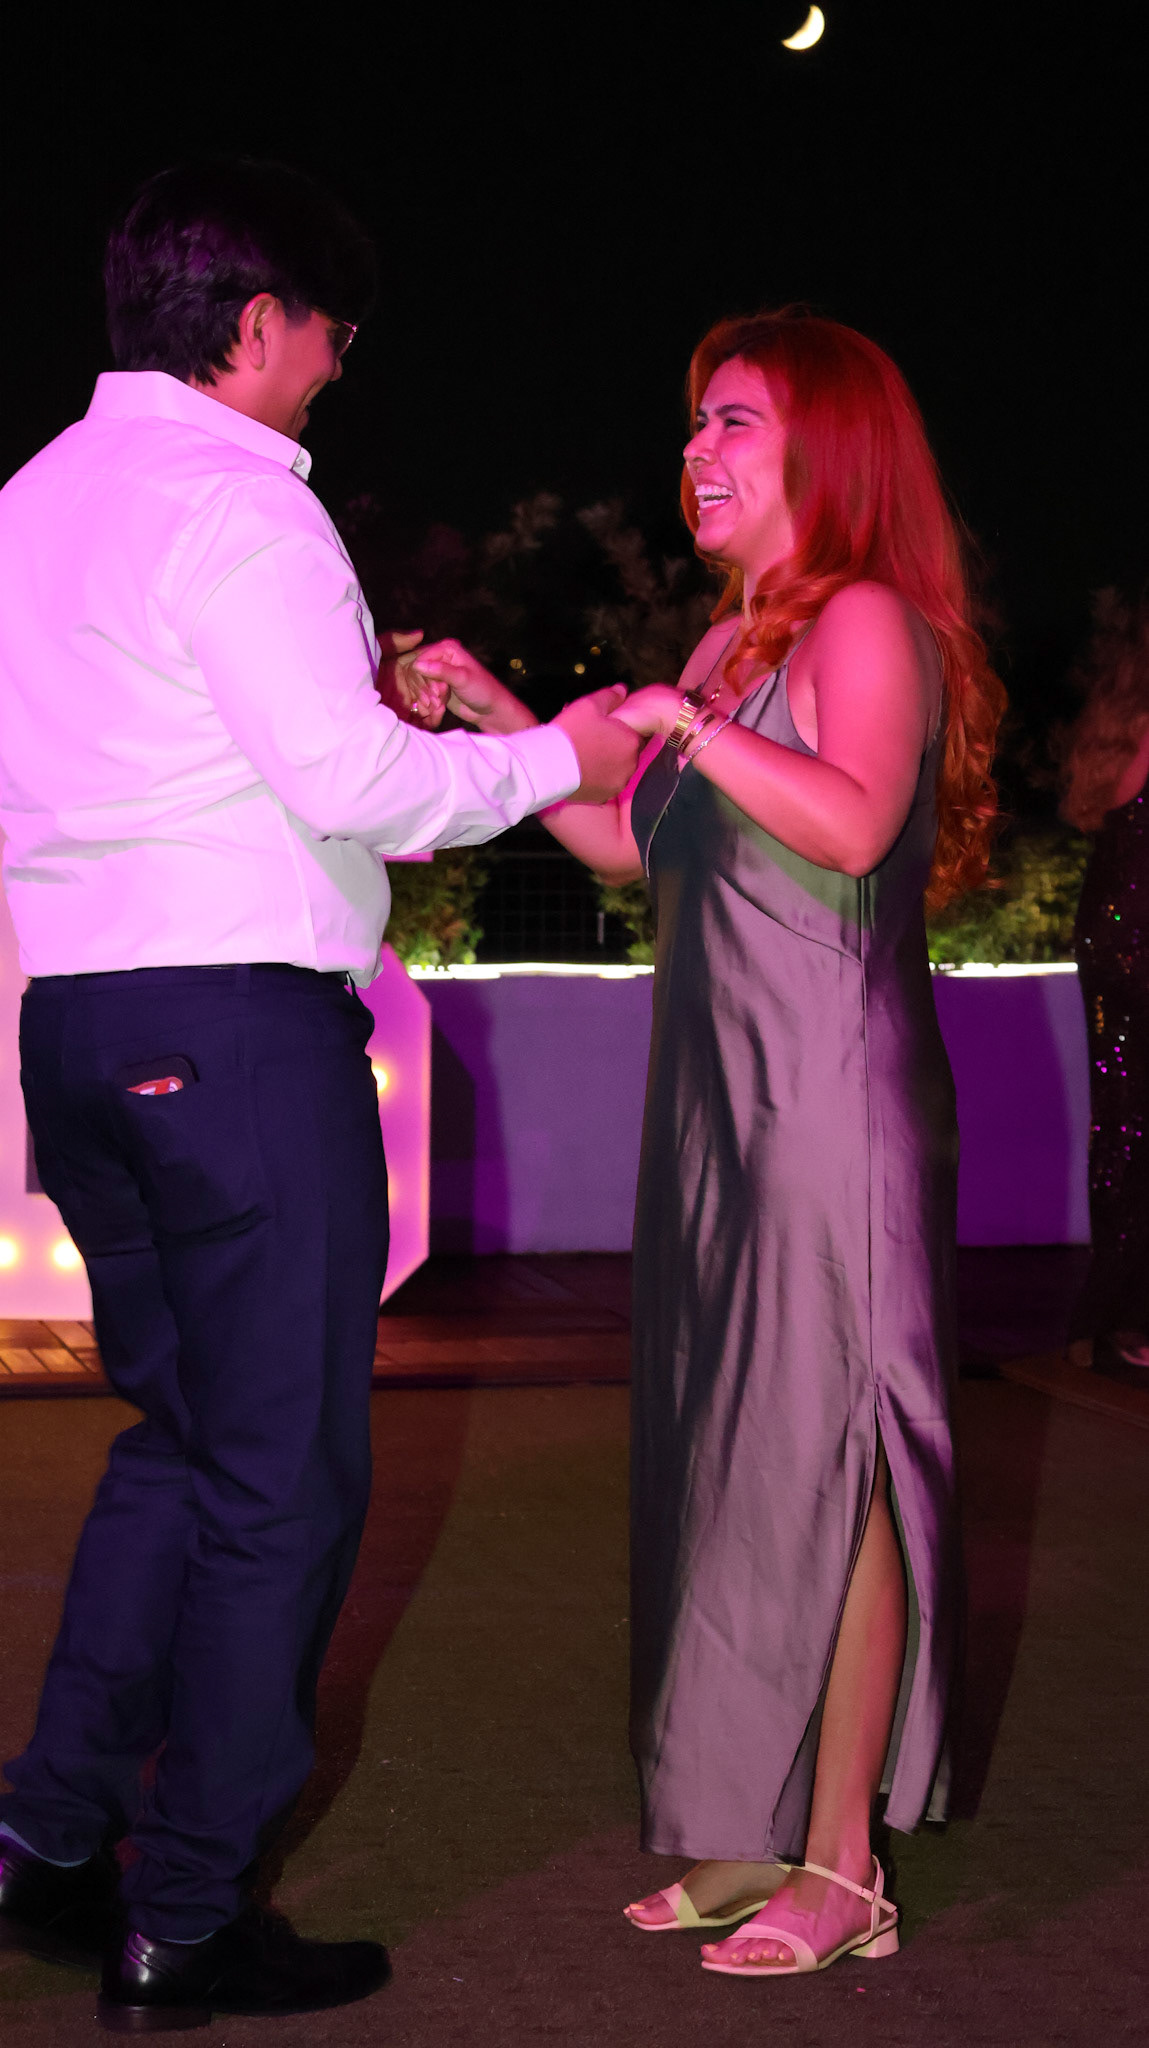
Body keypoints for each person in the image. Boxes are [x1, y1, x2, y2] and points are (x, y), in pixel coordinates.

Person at [0, 158, 638, 2031]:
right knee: (278, 1485)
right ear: (262, 321)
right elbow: (351, 789)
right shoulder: (246, 503)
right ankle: (185, 1915)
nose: (340, 371)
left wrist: (365, 736)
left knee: (180, 1447)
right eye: (335, 335)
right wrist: (559, 752)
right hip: (233, 1040)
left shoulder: (36, 494)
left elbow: (184, 753)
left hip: (78, 1023)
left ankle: (47, 1840)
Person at [409, 309, 1005, 1978]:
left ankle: (844, 1861)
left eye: (732, 420)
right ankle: (757, 1821)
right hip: (717, 1111)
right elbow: (628, 843)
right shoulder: (741, 637)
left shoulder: (863, 618)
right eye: (693, 422)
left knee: (841, 1459)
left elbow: (853, 820)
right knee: (738, 1453)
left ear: (828, 446)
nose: (696, 451)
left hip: (827, 1106)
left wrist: (687, 723)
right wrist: (499, 714)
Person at [1060, 590, 1149, 1375]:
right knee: (1129, 1126)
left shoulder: (1121, 724)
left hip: (1111, 931)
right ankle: (1124, 1323)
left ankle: (1112, 1321)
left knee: (1121, 1121)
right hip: (1134, 937)